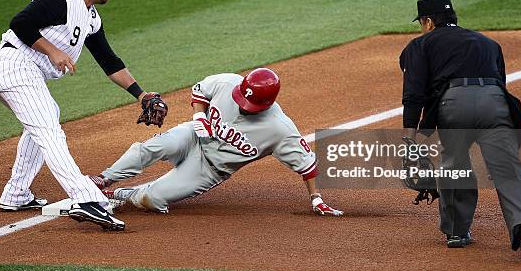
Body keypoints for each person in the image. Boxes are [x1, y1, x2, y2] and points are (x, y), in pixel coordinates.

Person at [0, 0, 165, 231]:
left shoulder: (91, 17)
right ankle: (86, 199)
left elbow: (109, 61)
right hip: (13, 65)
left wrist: (141, 95)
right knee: (49, 131)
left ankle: (16, 194)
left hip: (22, 71)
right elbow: (20, 23)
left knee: (47, 119)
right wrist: (53, 51)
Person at [399, 0, 521, 262]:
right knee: (508, 169)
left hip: (453, 105)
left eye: (421, 22)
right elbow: (499, 82)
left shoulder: (420, 45)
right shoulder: (488, 43)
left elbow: (414, 94)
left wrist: (410, 138)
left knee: (455, 164)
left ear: (429, 22)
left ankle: (457, 232)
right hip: (495, 103)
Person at [89, 68, 343, 218]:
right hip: (195, 136)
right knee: (153, 147)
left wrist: (316, 199)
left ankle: (118, 195)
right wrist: (199, 115)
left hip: (210, 169)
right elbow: (200, 90)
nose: (244, 107)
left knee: (154, 199)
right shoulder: (228, 82)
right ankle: (103, 179)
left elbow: (307, 165)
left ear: (267, 105)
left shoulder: (280, 129)